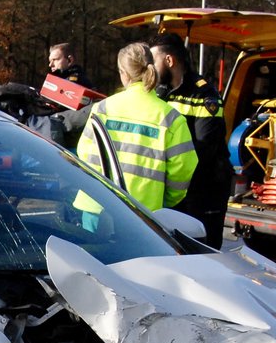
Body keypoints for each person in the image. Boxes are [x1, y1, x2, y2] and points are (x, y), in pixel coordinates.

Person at [76, 42, 196, 214]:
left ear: (123, 73)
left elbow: (84, 154)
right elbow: (183, 169)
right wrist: (163, 199)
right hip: (143, 214)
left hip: (95, 207)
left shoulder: (102, 109)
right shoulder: (171, 118)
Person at [151, 32, 233, 248]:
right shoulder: (160, 94)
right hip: (177, 187)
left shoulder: (205, 96)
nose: (150, 68)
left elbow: (203, 148)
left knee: (204, 250)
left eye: (154, 61)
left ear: (169, 60)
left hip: (206, 189)